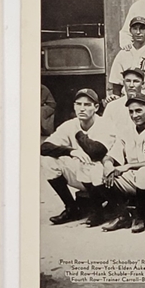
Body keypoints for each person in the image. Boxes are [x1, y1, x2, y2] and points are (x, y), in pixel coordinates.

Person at [40, 89, 118, 226]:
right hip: (82, 175)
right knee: (47, 161)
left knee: (88, 163)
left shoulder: (105, 124)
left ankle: (98, 211)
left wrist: (78, 133)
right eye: (78, 104)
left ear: (96, 107)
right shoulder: (70, 124)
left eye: (87, 105)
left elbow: (96, 153)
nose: (82, 109)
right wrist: (71, 151)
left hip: (104, 179)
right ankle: (71, 208)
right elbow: (44, 147)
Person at [100, 92, 145, 233]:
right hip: (132, 177)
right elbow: (112, 154)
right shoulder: (125, 130)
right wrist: (108, 166)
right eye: (131, 111)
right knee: (101, 172)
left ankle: (142, 216)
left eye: (139, 110)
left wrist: (128, 165)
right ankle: (123, 215)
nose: (134, 115)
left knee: (144, 173)